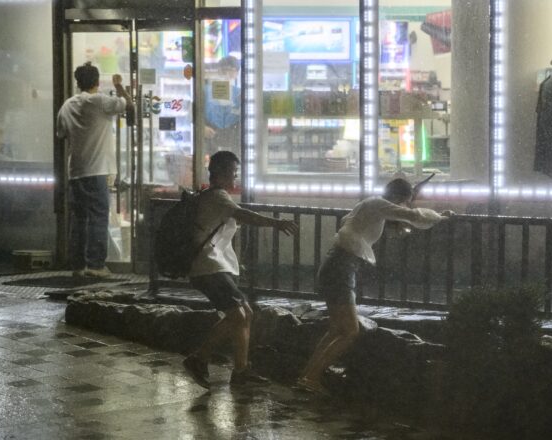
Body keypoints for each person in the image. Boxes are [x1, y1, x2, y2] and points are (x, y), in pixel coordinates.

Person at [296, 178, 453, 394]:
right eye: (406, 201)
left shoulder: (372, 205)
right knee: (351, 330)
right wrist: (441, 217)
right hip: (343, 268)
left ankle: (307, 375)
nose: (406, 206)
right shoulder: (378, 205)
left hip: (337, 265)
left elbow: (403, 217)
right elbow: (414, 216)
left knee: (336, 329)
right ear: (400, 198)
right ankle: (311, 377)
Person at [183, 151, 298, 389]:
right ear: (223, 173)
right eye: (234, 173)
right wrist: (277, 223)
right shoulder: (218, 197)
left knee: (244, 314)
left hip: (214, 267)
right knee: (240, 315)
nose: (236, 177)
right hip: (208, 268)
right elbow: (243, 214)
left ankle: (235, 368)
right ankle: (206, 361)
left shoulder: (214, 197)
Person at [56, 62, 133, 278]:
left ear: (77, 82)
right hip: (98, 170)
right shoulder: (100, 101)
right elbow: (128, 104)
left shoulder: (68, 105)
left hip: (76, 171)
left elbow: (61, 134)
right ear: (98, 82)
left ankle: (78, 265)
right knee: (99, 217)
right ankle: (96, 265)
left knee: (78, 219)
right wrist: (119, 86)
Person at [204, 56, 241, 157]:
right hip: (209, 139)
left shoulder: (240, 94)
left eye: (231, 70)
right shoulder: (204, 91)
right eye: (224, 70)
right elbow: (191, 115)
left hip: (233, 140)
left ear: (237, 73)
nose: (227, 73)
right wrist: (202, 128)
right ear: (218, 71)